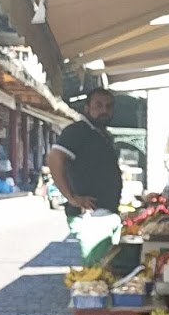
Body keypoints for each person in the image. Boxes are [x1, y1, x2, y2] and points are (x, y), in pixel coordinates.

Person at [47, 89, 122, 220]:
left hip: (106, 211)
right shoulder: (77, 132)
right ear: (87, 108)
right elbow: (54, 158)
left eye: (108, 106)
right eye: (98, 105)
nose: (104, 110)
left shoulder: (103, 135)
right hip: (88, 214)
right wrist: (71, 198)